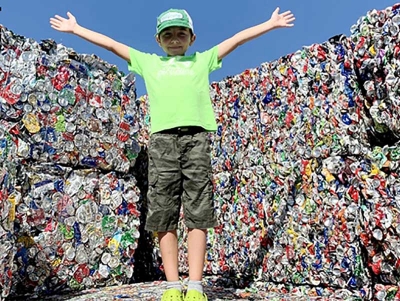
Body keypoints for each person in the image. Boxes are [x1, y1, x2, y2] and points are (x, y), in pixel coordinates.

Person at [50, 7, 295, 301]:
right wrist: (77, 29)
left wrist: (269, 24)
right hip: (162, 141)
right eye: (168, 34)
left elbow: (237, 40)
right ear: (158, 40)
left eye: (181, 33)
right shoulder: (149, 63)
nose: (175, 39)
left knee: (198, 210)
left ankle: (194, 285)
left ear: (192, 38)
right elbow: (112, 45)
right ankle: (171, 285)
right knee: (163, 211)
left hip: (196, 138)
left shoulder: (202, 60)